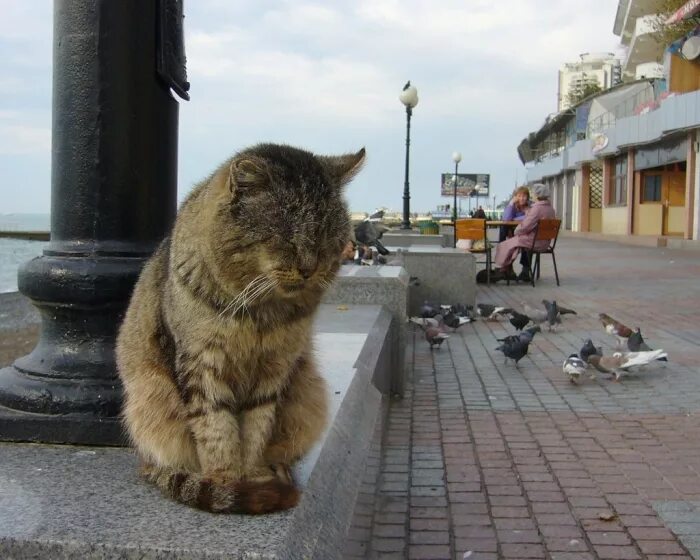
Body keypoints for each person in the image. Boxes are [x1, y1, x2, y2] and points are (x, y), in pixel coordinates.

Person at [494, 183, 555, 282]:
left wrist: (517, 232)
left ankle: (503, 269)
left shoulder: (536, 208)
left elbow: (525, 226)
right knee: (516, 242)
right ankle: (521, 271)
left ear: (537, 195)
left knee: (509, 243)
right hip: (545, 242)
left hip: (535, 242)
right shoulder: (550, 208)